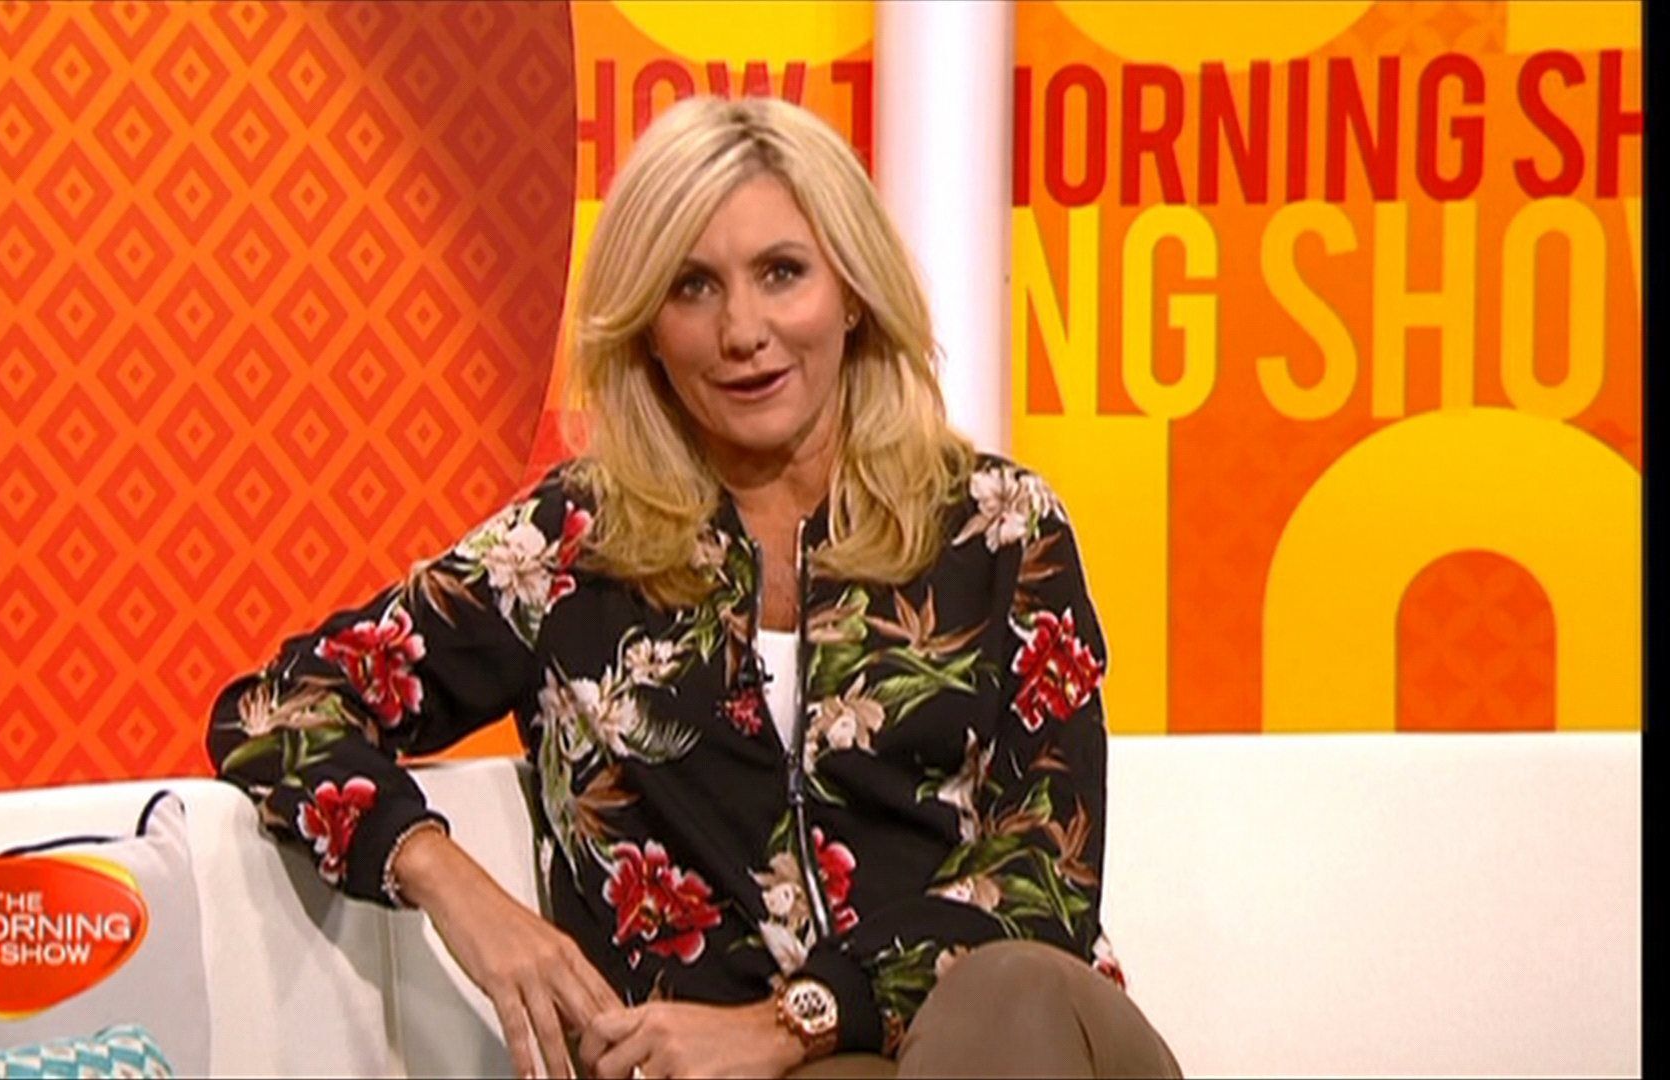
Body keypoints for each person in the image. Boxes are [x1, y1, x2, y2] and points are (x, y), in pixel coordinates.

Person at [208, 95, 1180, 1079]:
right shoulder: (572, 551)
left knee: (1014, 990)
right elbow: (273, 710)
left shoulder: (998, 528)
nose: (743, 330)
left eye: (782, 273)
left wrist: (791, 1021)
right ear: (646, 329)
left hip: (1015, 1049)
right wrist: (442, 874)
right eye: (692, 287)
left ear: (851, 292)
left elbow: (1043, 877)